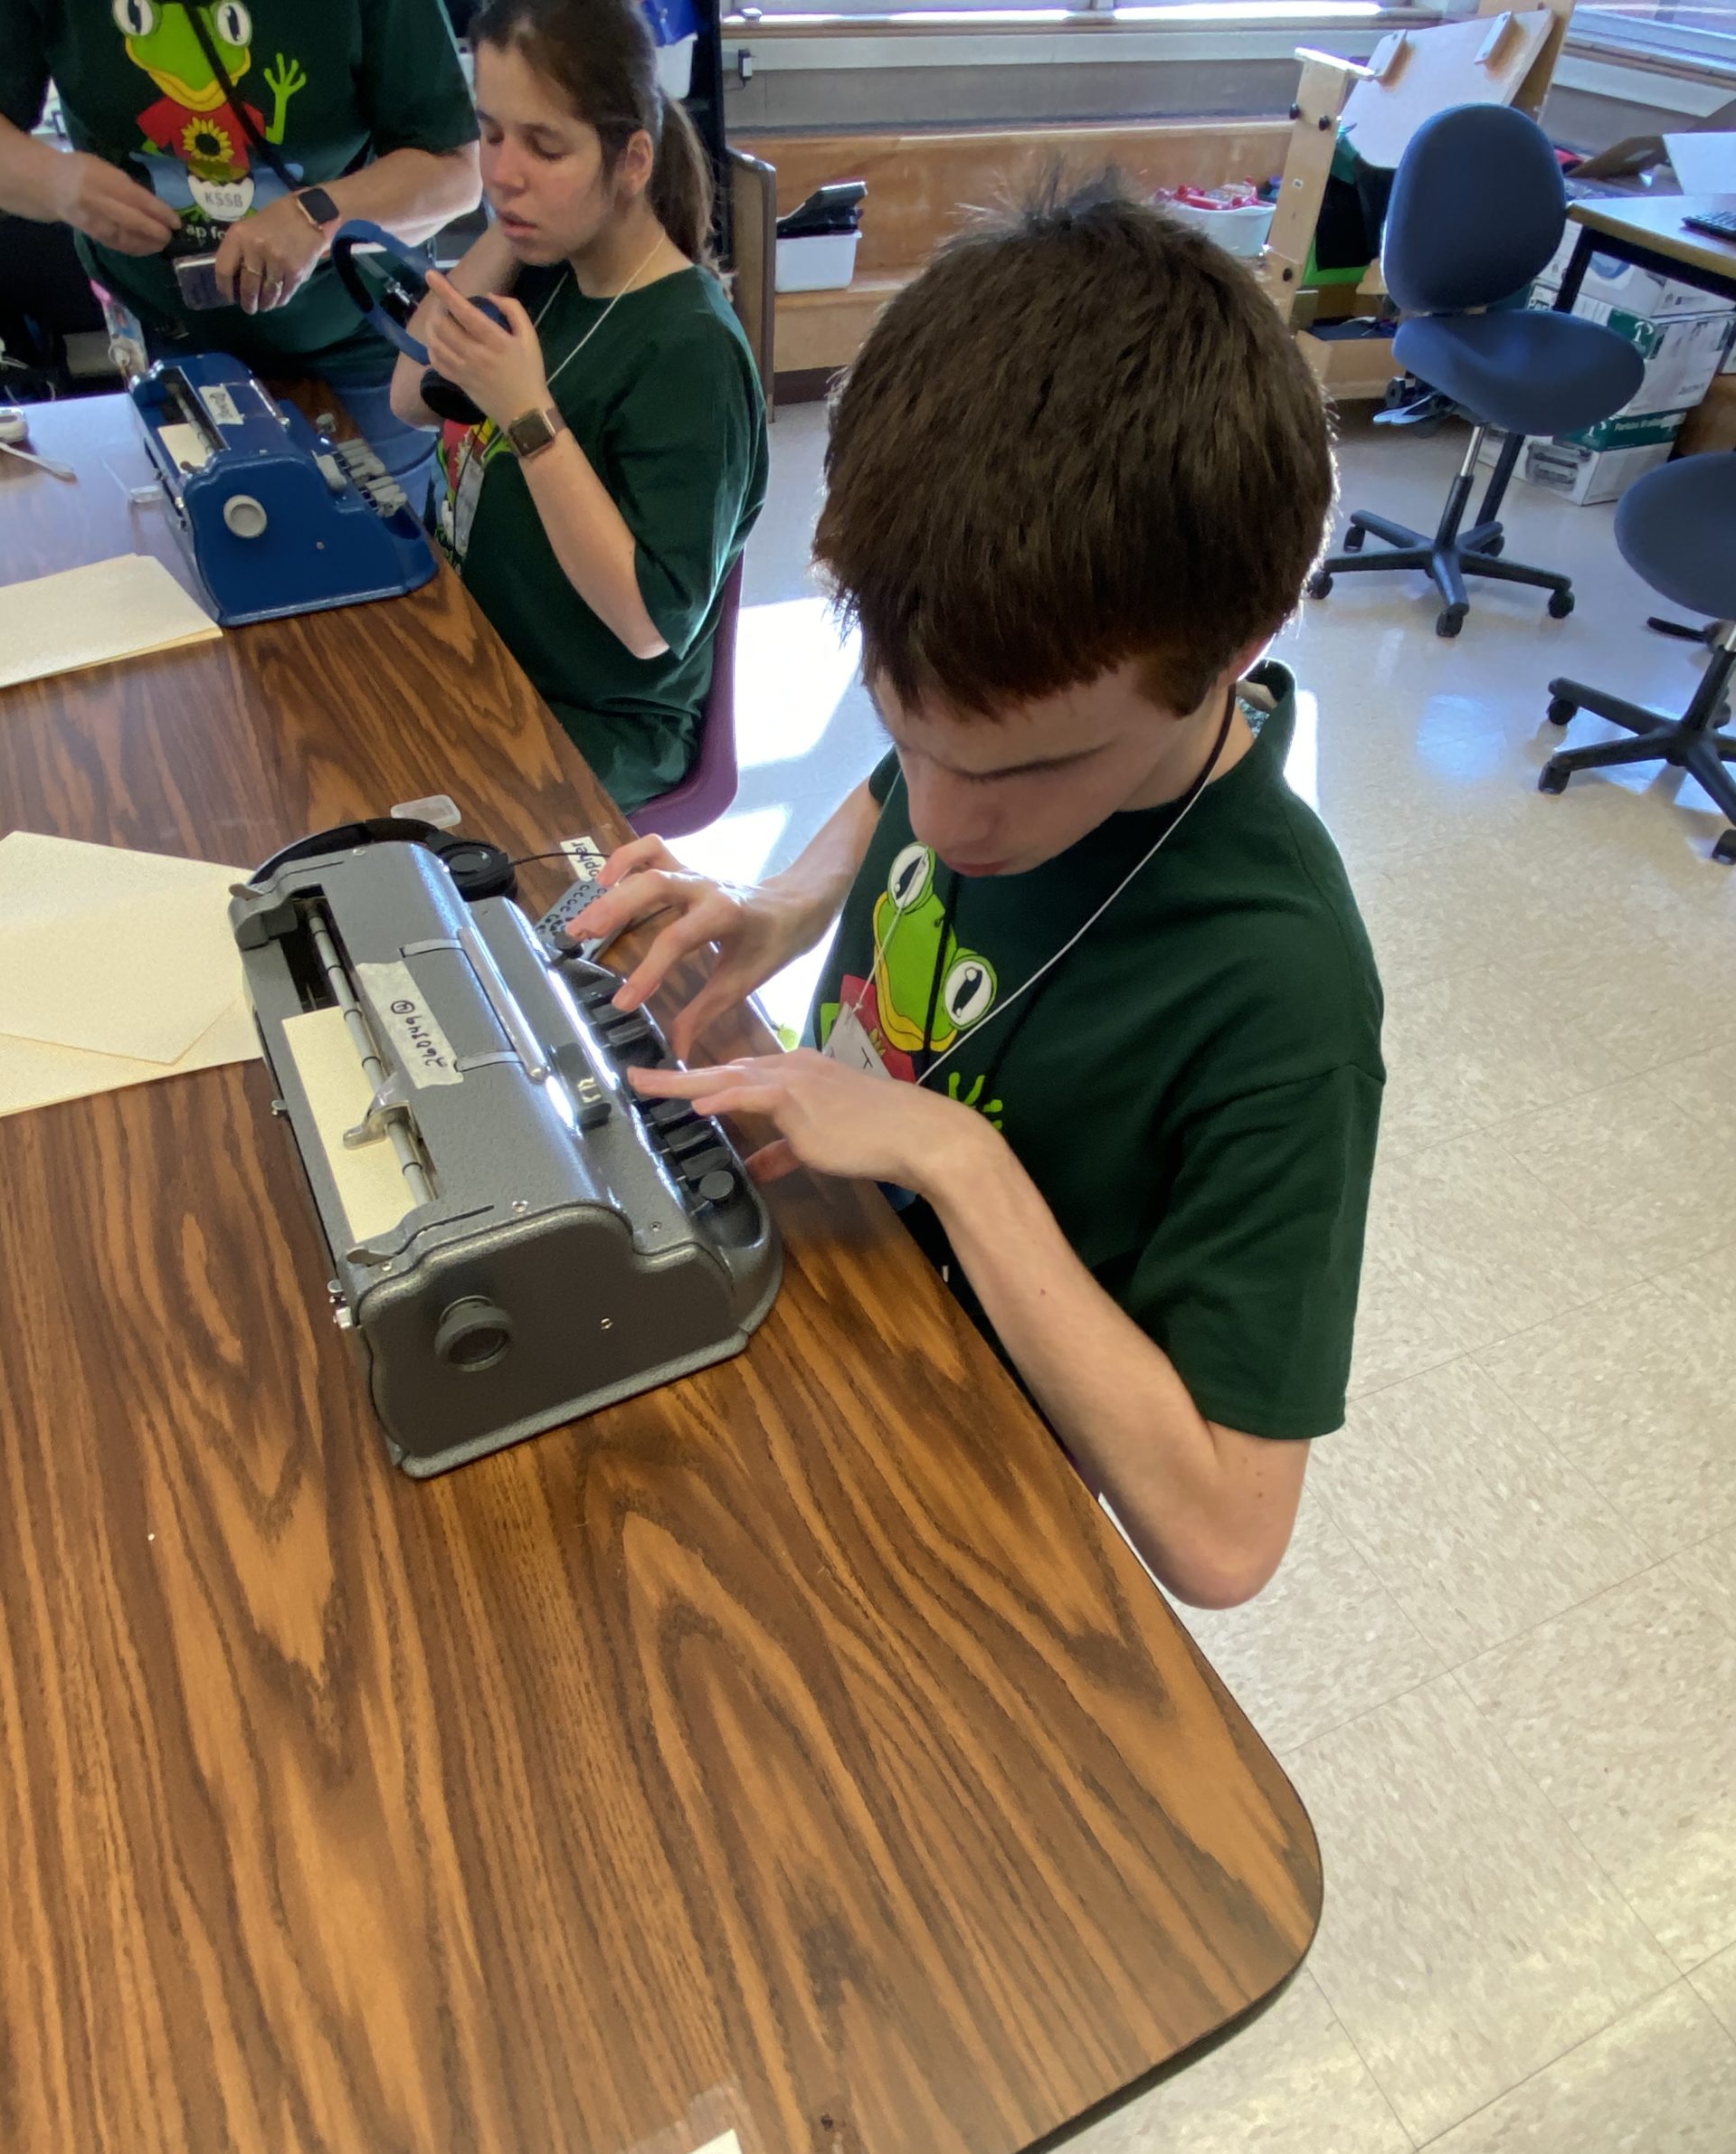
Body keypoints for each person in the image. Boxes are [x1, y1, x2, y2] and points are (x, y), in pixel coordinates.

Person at [574, 182, 1384, 1613]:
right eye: (901, 722)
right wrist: (792, 897)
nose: (946, 822)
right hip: (826, 1299)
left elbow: (1225, 1539)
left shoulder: (1281, 988)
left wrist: (958, 1160)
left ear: (1238, 646)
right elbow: (920, 788)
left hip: (958, 1470)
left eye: (1031, 768)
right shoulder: (991, 707)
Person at [387, 0, 766, 817]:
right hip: (484, 654)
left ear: (633, 159)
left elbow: (646, 625)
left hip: (602, 723)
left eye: (545, 146)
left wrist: (527, 413)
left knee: (367, 794)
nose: (503, 171)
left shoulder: (690, 348)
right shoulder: (550, 264)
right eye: (490, 134)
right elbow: (411, 393)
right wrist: (511, 230)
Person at [0, 0, 480, 495]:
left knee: (380, 556)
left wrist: (315, 216)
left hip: (352, 338)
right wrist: (55, 181)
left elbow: (453, 169)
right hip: (164, 329)